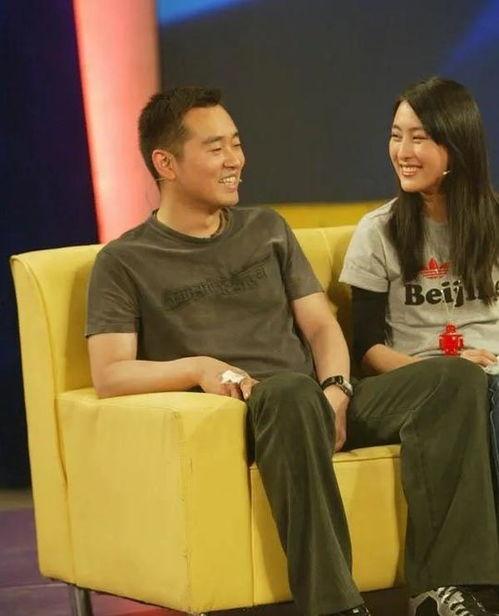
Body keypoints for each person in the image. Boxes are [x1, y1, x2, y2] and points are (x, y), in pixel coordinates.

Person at [86, 86, 499, 616]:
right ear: (166, 163)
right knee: (288, 394)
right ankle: (334, 606)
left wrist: (337, 390)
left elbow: (323, 327)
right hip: (247, 411)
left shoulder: (268, 228)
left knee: (454, 380)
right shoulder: (125, 260)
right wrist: (198, 367)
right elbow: (110, 374)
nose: (235, 160)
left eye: (236, 143)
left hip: (317, 400)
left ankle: (443, 589)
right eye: (216, 148)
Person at [340, 76, 499, 615]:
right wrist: (439, 371)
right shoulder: (378, 231)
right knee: (471, 387)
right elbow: (365, 348)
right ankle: (465, 586)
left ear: (457, 144)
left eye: (420, 137)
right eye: (396, 136)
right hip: (421, 383)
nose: (403, 152)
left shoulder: (494, 223)